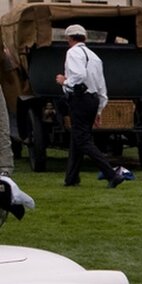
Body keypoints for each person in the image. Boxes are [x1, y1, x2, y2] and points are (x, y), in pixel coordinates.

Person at [55, 24, 123, 188]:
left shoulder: (72, 53)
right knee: (77, 139)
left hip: (80, 99)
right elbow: (101, 86)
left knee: (82, 140)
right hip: (92, 100)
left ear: (69, 38)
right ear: (84, 38)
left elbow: (78, 75)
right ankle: (71, 178)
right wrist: (99, 109)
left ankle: (111, 174)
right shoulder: (94, 57)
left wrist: (65, 82)